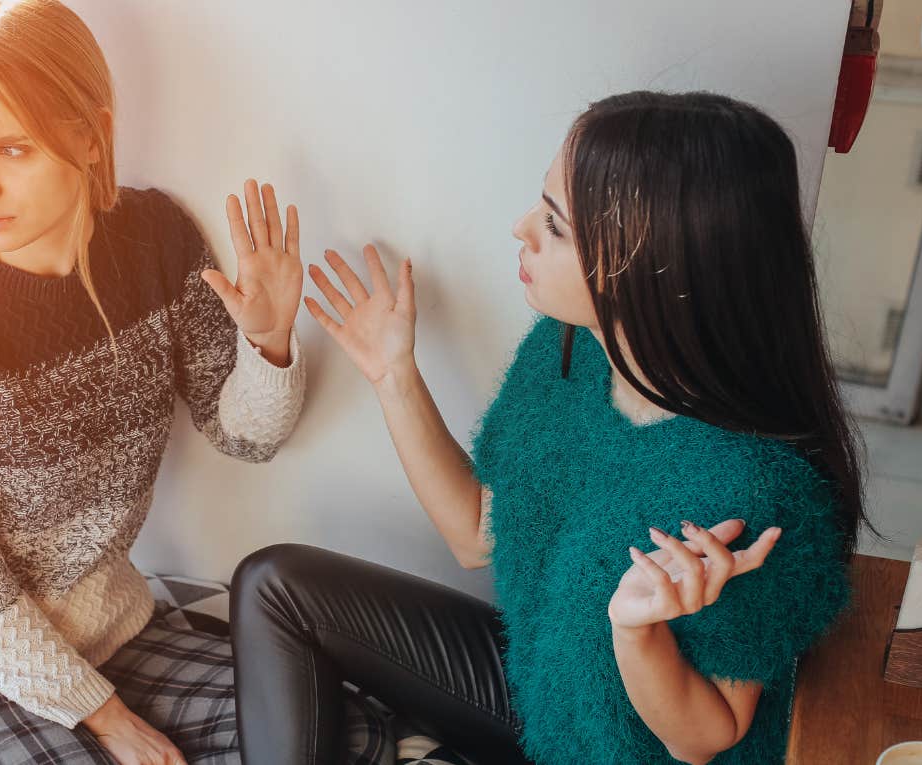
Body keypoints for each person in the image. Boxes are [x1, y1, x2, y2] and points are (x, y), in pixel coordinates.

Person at [230, 91, 869, 765]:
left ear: (653, 262)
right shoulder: (564, 353)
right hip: (541, 693)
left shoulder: (754, 486)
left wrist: (637, 632)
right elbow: (476, 533)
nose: (520, 228)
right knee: (275, 585)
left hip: (620, 753)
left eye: (555, 226)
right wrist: (394, 374)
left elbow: (704, 738)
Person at [0, 2, 360, 763]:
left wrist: (267, 339)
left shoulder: (154, 240)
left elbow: (244, 436)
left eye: (11, 149)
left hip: (112, 630)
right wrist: (108, 719)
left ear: (90, 135)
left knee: (345, 734)